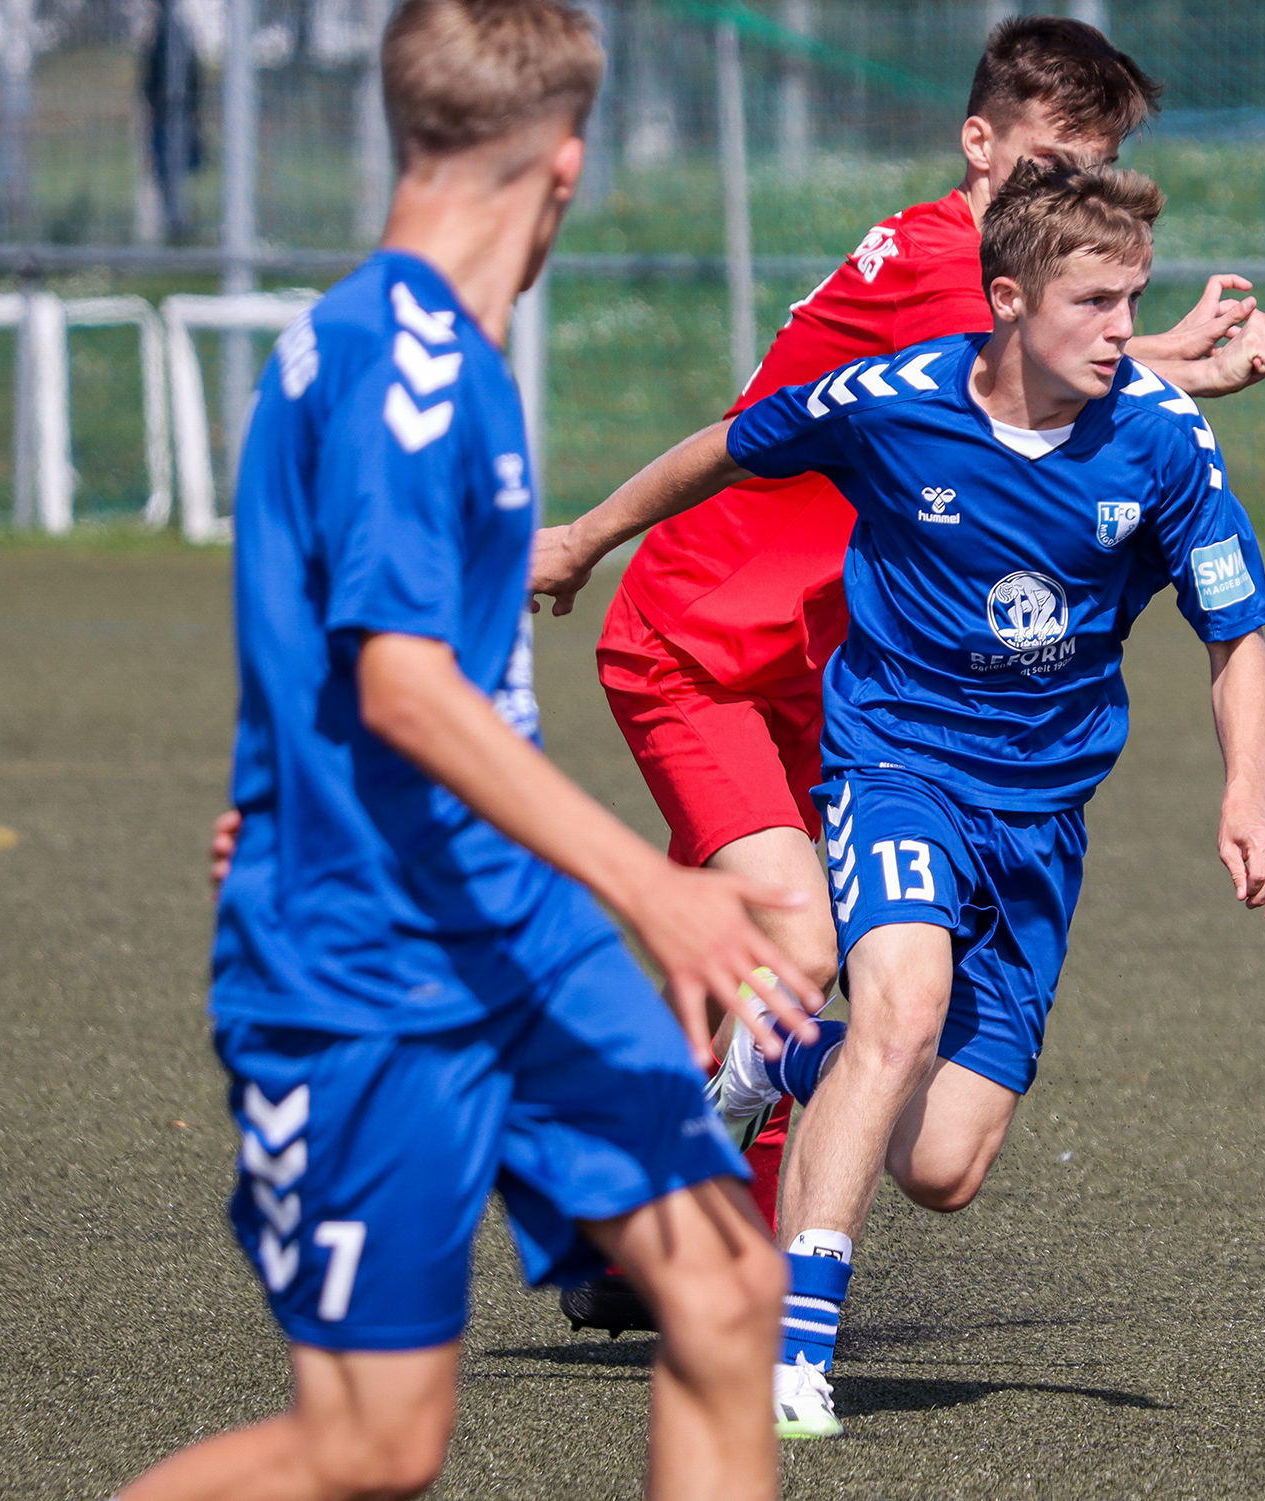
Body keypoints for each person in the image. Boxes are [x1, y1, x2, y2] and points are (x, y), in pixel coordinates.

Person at [122, 2, 822, 1498]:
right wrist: (662, 888)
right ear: (563, 169)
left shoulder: (434, 347)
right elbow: (404, 684)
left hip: (513, 936)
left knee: (723, 1297)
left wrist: (283, 796)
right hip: (369, 970)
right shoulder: (403, 360)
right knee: (376, 1447)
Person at [540, 16, 1265, 1336]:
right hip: (699, 652)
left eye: (1099, 163)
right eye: (1056, 157)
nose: (1071, 190)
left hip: (819, 668)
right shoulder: (940, 252)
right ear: (981, 145)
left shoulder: (1023, 274)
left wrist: (1185, 366)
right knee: (800, 939)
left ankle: (662, 1241)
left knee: (794, 989)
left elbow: (1068, 376)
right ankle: (681, 1248)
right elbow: (1016, 365)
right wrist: (1196, 364)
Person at [142, 0, 202, 243]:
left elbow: (193, 76)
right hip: (164, 118)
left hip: (179, 119)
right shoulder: (158, 35)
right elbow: (148, 78)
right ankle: (174, 223)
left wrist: (189, 106)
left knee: (176, 173)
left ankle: (181, 224)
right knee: (164, 173)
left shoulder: (178, 34)